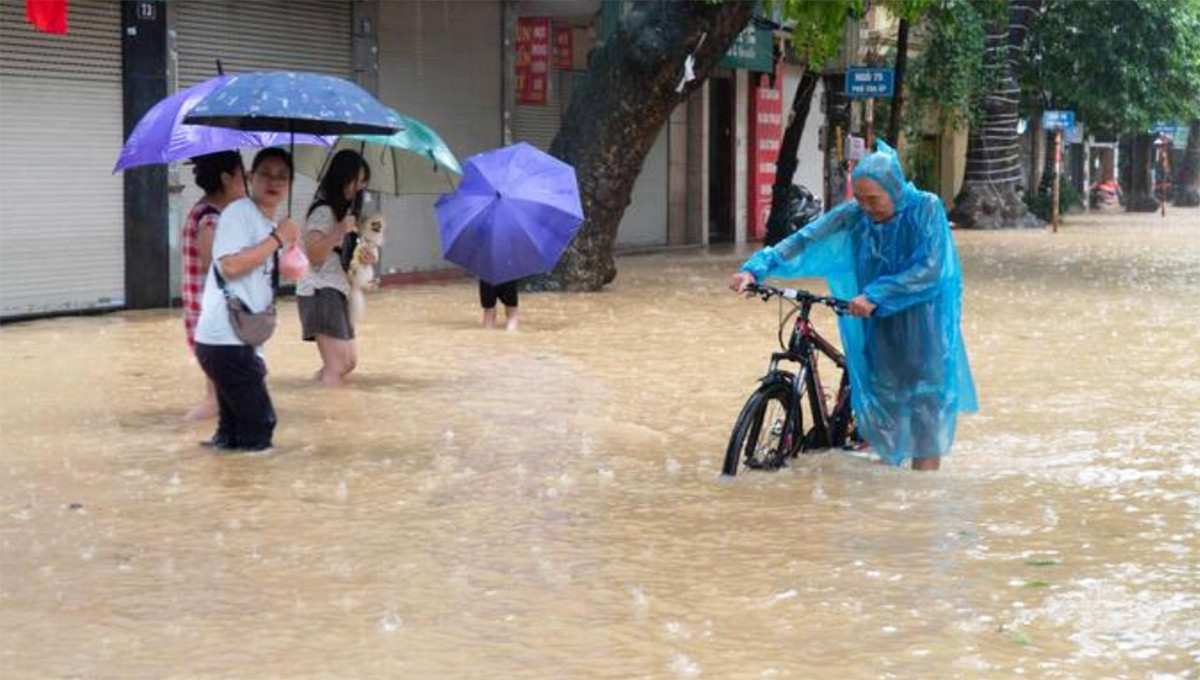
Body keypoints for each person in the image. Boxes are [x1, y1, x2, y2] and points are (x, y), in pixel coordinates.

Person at [729, 140, 976, 471]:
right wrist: (754, 268)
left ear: (895, 190)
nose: (866, 207)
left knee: (924, 409)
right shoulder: (856, 214)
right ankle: (886, 497)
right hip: (876, 320)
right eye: (859, 199)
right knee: (884, 404)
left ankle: (921, 501)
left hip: (923, 325)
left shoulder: (926, 208)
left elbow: (931, 267)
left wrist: (876, 294)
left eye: (873, 199)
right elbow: (806, 238)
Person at [193, 148, 299, 452]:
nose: (274, 181)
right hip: (227, 340)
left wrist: (290, 250)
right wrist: (278, 239)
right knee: (260, 427)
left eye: (282, 176)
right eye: (266, 173)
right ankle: (257, 496)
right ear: (251, 177)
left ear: (290, 184)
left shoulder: (267, 224)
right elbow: (229, 266)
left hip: (235, 340)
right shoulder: (239, 213)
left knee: (232, 435)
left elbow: (263, 273)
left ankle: (227, 493)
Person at [296, 149, 374, 387]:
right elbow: (313, 254)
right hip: (319, 290)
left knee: (348, 362)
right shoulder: (323, 211)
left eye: (363, 182)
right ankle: (331, 417)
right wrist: (339, 230)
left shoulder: (345, 214)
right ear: (342, 177)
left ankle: (314, 391)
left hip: (337, 288)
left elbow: (343, 256)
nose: (359, 188)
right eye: (356, 181)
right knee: (337, 365)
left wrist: (364, 256)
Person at [181, 151, 247, 421]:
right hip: (211, 318)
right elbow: (215, 266)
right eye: (243, 177)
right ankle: (186, 440)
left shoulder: (209, 212)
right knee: (217, 399)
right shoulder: (210, 218)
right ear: (226, 179)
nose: (247, 184)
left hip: (207, 316)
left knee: (222, 394)